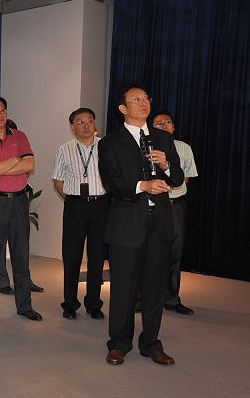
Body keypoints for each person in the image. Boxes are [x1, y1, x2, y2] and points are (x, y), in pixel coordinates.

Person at [98, 85, 184, 366]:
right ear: (123, 108)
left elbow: (177, 178)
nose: (144, 102)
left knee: (154, 289)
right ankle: (119, 343)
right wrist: (142, 186)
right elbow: (111, 183)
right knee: (123, 288)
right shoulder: (110, 143)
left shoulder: (163, 138)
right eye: (136, 99)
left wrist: (167, 164)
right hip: (127, 226)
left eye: (146, 98)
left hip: (159, 224)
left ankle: (151, 343)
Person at [0, 95, 42, 322]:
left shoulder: (20, 136)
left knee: (21, 255)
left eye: (2, 110)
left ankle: (25, 306)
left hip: (20, 201)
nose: (0, 115)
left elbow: (30, 164)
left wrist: (0, 168)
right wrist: (15, 160)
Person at [52, 107, 109, 320]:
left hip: (101, 205)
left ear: (95, 124)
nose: (86, 125)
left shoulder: (106, 146)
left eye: (90, 120)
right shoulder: (64, 149)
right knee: (72, 255)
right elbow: (58, 182)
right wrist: (74, 200)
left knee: (97, 256)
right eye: (80, 121)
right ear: (72, 126)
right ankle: (70, 303)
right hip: (75, 205)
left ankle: (94, 303)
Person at [152, 111, 198, 315]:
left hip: (175, 205)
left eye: (167, 123)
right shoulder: (147, 147)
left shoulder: (184, 148)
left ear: (173, 127)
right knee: (148, 252)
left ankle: (171, 299)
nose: (163, 126)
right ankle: (141, 298)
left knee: (175, 253)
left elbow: (184, 178)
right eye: (158, 123)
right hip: (153, 205)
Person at [0, 119, 45, 295]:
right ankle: (1, 282)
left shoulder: (22, 149)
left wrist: (2, 170)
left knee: (22, 245)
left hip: (19, 199)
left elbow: (29, 168)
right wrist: (12, 167)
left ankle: (24, 281)